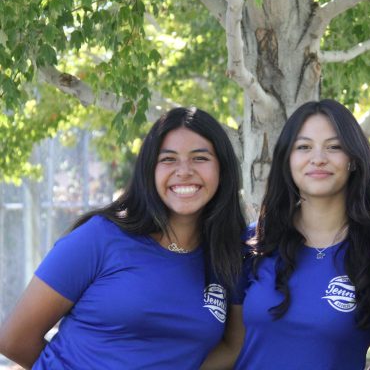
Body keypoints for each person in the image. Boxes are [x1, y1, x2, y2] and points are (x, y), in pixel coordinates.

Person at [0, 107, 246, 369]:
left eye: (200, 158)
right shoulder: (100, 237)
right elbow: (14, 339)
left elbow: (233, 345)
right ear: (149, 170)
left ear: (222, 168)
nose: (183, 171)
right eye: (168, 159)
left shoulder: (228, 256)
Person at [226, 99, 370, 370]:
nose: (318, 158)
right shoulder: (253, 244)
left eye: (333, 147)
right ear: (287, 159)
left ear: (353, 160)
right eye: (304, 147)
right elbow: (232, 347)